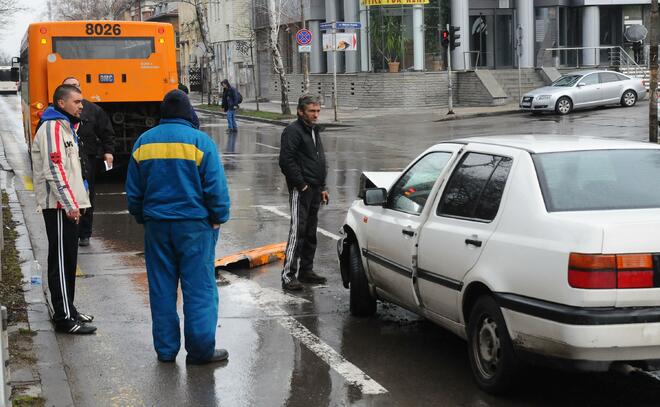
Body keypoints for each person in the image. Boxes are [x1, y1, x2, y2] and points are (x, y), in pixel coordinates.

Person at [125, 89, 231, 364]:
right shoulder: (200, 142)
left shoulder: (143, 143)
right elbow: (216, 189)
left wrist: (143, 217)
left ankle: (166, 350)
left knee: (161, 289)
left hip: (157, 227)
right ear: (188, 113)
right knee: (199, 288)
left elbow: (134, 193)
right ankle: (200, 350)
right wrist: (219, 216)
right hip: (195, 227)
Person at [31, 84, 97, 334]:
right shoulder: (51, 128)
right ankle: (64, 318)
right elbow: (54, 170)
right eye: (76, 101)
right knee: (60, 260)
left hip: (69, 205)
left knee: (69, 260)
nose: (81, 105)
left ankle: (69, 308)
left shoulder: (66, 127)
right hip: (59, 206)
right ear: (61, 103)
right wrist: (70, 204)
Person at [279, 95, 329, 291]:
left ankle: (306, 271)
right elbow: (286, 161)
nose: (316, 115)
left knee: (310, 232)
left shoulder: (314, 130)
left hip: (315, 189)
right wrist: (302, 186)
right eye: (311, 111)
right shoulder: (292, 131)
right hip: (302, 190)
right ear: (301, 111)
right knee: (297, 232)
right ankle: (288, 275)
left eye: (318, 111)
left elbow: (319, 161)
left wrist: (323, 187)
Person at [61, 77, 115, 247]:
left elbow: (107, 132)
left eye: (77, 86)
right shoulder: (58, 112)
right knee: (67, 193)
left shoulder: (93, 110)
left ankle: (84, 233)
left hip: (87, 158)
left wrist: (108, 152)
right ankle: (69, 229)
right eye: (71, 86)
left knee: (86, 194)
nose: (75, 88)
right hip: (66, 159)